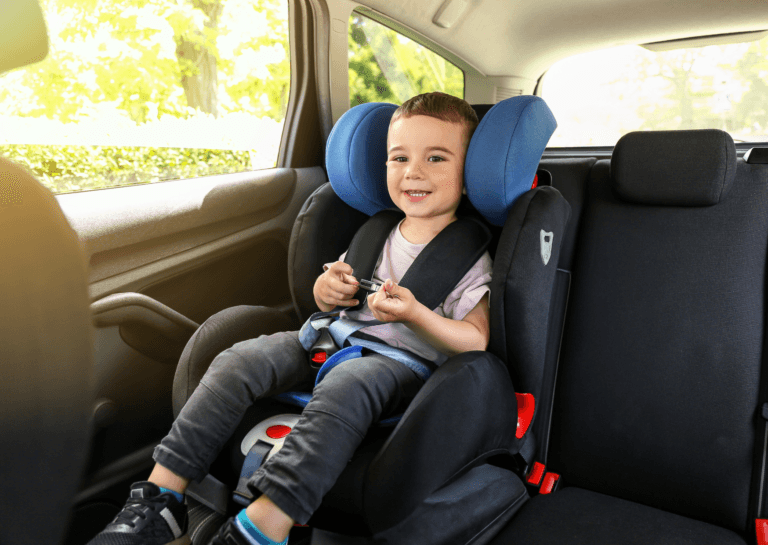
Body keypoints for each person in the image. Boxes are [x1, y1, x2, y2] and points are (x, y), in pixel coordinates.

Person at [87, 92, 493, 545]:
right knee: (238, 359)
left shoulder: (470, 254)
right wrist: (328, 290)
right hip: (329, 341)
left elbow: (475, 341)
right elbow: (328, 302)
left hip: (397, 367)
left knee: (349, 382)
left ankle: (265, 525)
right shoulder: (376, 231)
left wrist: (417, 313)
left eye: (436, 158)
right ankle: (160, 498)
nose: (413, 172)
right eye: (399, 157)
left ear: (467, 171)